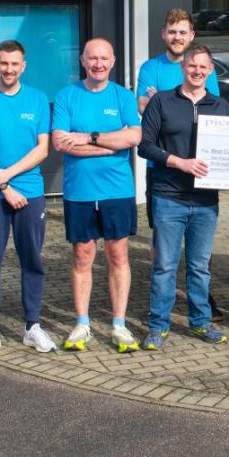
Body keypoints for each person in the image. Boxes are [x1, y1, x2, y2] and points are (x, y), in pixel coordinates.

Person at [137, 45, 229, 350]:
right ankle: (158, 325)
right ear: (183, 67)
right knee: (164, 265)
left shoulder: (220, 107)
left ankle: (201, 322)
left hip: (206, 202)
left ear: (210, 71)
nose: (198, 71)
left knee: (200, 266)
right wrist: (180, 162)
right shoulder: (162, 102)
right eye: (193, 66)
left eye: (204, 67)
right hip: (168, 197)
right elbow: (145, 146)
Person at [52, 38, 142, 353]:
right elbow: (61, 143)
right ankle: (82, 323)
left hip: (117, 190)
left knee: (118, 256)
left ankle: (119, 324)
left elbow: (133, 137)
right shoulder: (66, 96)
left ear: (113, 61)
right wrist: (108, 144)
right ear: (83, 60)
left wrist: (88, 138)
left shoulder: (123, 96)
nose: (98, 64)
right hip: (79, 192)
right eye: (93, 58)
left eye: (104, 58)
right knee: (82, 257)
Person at [0, 41, 56, 360]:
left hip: (30, 192)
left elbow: (42, 148)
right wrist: (4, 186)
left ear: (24, 65)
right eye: (4, 63)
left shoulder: (36, 99)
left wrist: (10, 175)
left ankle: (32, 326)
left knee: (31, 259)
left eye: (14, 64)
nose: (9, 69)